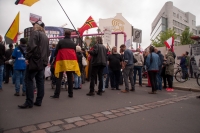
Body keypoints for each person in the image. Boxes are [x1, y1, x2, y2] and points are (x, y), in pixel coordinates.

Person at [18, 20, 50, 109]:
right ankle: (39, 101)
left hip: (35, 61)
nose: (33, 26)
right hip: (42, 62)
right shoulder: (45, 36)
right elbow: (48, 51)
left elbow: (31, 46)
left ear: (37, 26)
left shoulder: (35, 33)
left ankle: (29, 102)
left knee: (28, 80)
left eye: (34, 25)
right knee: (40, 82)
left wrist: (27, 57)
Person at [50, 30, 78, 98]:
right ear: (70, 35)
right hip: (70, 62)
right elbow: (74, 52)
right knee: (69, 77)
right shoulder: (73, 43)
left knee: (59, 78)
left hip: (61, 61)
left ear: (64, 34)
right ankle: (70, 93)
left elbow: (56, 51)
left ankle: (57, 94)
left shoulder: (61, 42)